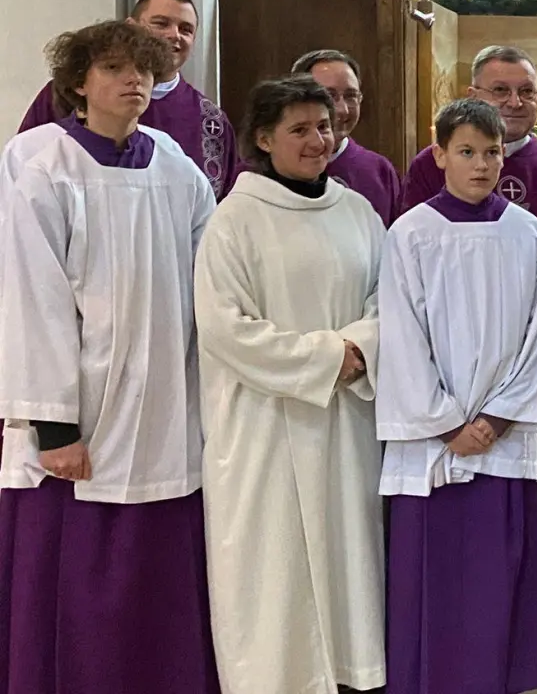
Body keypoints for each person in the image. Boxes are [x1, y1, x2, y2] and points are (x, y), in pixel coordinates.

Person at [0, 21, 219, 694]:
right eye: (116, 69)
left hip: (162, 403)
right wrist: (55, 426)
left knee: (158, 562)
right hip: (82, 411)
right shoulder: (42, 165)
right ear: (78, 83)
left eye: (145, 71)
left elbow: (212, 274)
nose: (135, 82)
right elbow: (28, 295)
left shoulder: (175, 166)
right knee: (74, 563)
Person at [194, 76, 386, 694]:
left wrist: (363, 348)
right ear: (263, 138)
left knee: (347, 557)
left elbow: (392, 298)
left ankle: (355, 674)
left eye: (324, 126)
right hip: (264, 426)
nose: (318, 140)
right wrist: (332, 357)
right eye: (300, 129)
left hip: (345, 422)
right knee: (272, 567)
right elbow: (225, 328)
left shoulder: (357, 211)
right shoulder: (235, 221)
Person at [401, 45, 537, 603]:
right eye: (501, 90)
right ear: (474, 95)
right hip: (444, 379)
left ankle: (531, 596)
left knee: (534, 492)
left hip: (531, 376)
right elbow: (408, 276)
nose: (515, 101)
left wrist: (533, 354)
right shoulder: (428, 168)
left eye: (526, 91)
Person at [380, 99, 537, 694]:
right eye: (465, 152)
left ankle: (496, 676)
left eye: (491, 152)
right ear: (438, 156)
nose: (480, 165)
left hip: (500, 439)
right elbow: (401, 336)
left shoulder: (529, 235)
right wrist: (445, 423)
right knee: (432, 570)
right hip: (435, 442)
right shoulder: (410, 234)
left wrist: (498, 418)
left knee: (494, 570)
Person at [17, 0, 241, 199]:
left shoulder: (210, 120)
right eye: (161, 23)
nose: (175, 35)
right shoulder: (63, 95)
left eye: (186, 29)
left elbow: (223, 204)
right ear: (131, 26)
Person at [292, 49, 403, 226]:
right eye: (329, 96)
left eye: (351, 96)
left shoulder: (380, 171)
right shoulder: (258, 171)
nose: (342, 109)